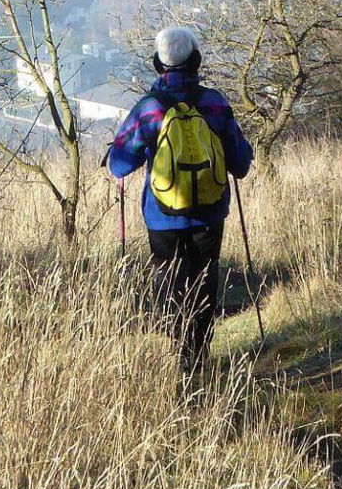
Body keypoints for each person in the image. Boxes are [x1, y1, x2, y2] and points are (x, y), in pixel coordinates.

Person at [107, 26, 254, 375]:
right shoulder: (215, 103)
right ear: (197, 60)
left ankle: (180, 353)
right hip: (209, 211)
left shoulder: (149, 109)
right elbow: (240, 164)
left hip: (162, 216)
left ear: (159, 65)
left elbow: (120, 163)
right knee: (205, 279)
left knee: (171, 282)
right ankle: (199, 356)